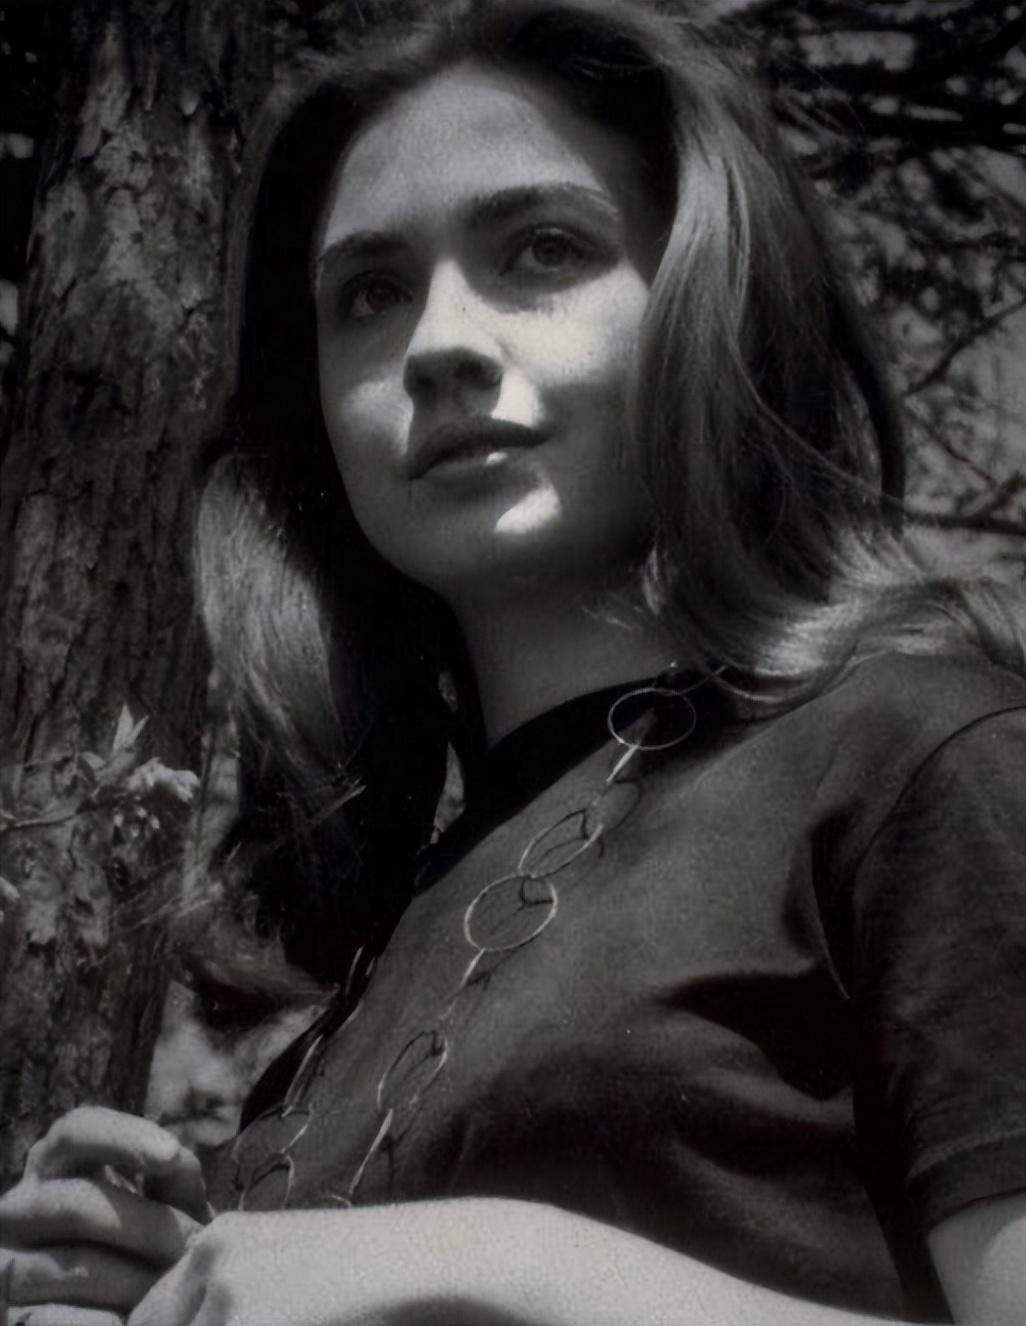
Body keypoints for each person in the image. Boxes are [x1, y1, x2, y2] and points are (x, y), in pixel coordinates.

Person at [1, 1, 1023, 1322]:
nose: (436, 343)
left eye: (543, 248)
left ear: (708, 295)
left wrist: (494, 1265)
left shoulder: (922, 758)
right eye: (369, 293)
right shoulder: (378, 961)